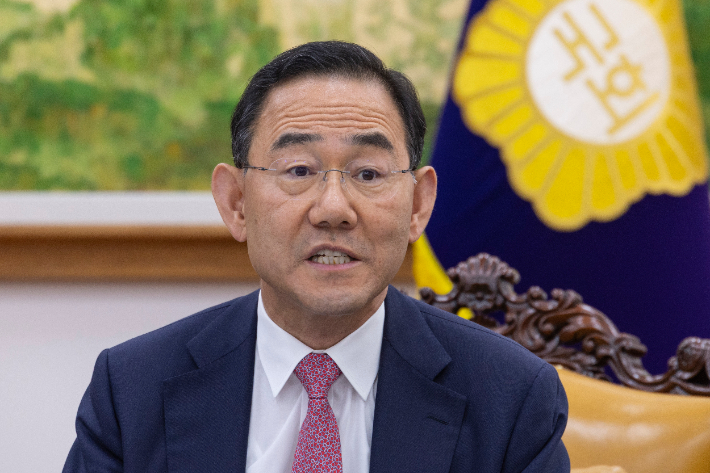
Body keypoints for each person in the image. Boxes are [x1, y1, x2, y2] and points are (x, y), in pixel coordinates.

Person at [63, 41, 569, 473]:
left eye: (368, 174)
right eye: (299, 170)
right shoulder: (132, 391)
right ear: (236, 203)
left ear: (418, 205)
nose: (333, 209)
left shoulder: (512, 399)